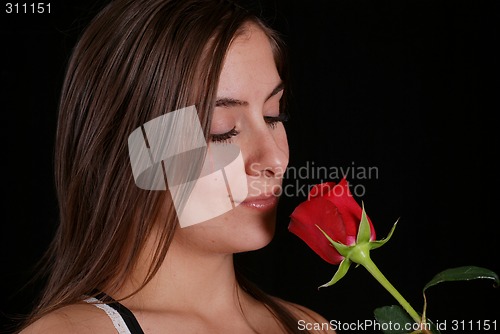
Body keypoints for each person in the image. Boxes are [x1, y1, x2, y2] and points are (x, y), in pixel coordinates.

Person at [18, 0, 335, 333]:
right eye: (221, 129)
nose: (275, 159)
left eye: (273, 115)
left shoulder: (310, 327)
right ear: (134, 151)